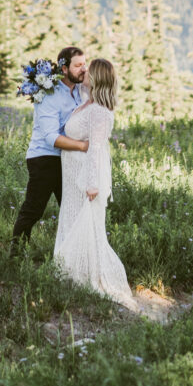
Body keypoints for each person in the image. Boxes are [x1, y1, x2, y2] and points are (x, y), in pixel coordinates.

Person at [54, 58, 136, 309]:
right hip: (71, 176)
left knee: (87, 227)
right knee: (71, 221)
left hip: (84, 180)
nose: (84, 72)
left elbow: (96, 150)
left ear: (98, 78)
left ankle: (88, 276)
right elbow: (67, 85)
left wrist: (92, 184)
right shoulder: (87, 101)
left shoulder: (99, 111)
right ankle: (70, 273)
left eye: (88, 70)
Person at [10, 46, 89, 256]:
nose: (84, 69)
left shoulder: (80, 91)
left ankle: (71, 257)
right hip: (44, 158)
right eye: (78, 65)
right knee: (34, 210)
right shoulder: (49, 94)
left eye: (85, 64)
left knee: (73, 209)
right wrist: (83, 146)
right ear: (64, 68)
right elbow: (51, 137)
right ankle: (15, 256)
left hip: (68, 159)